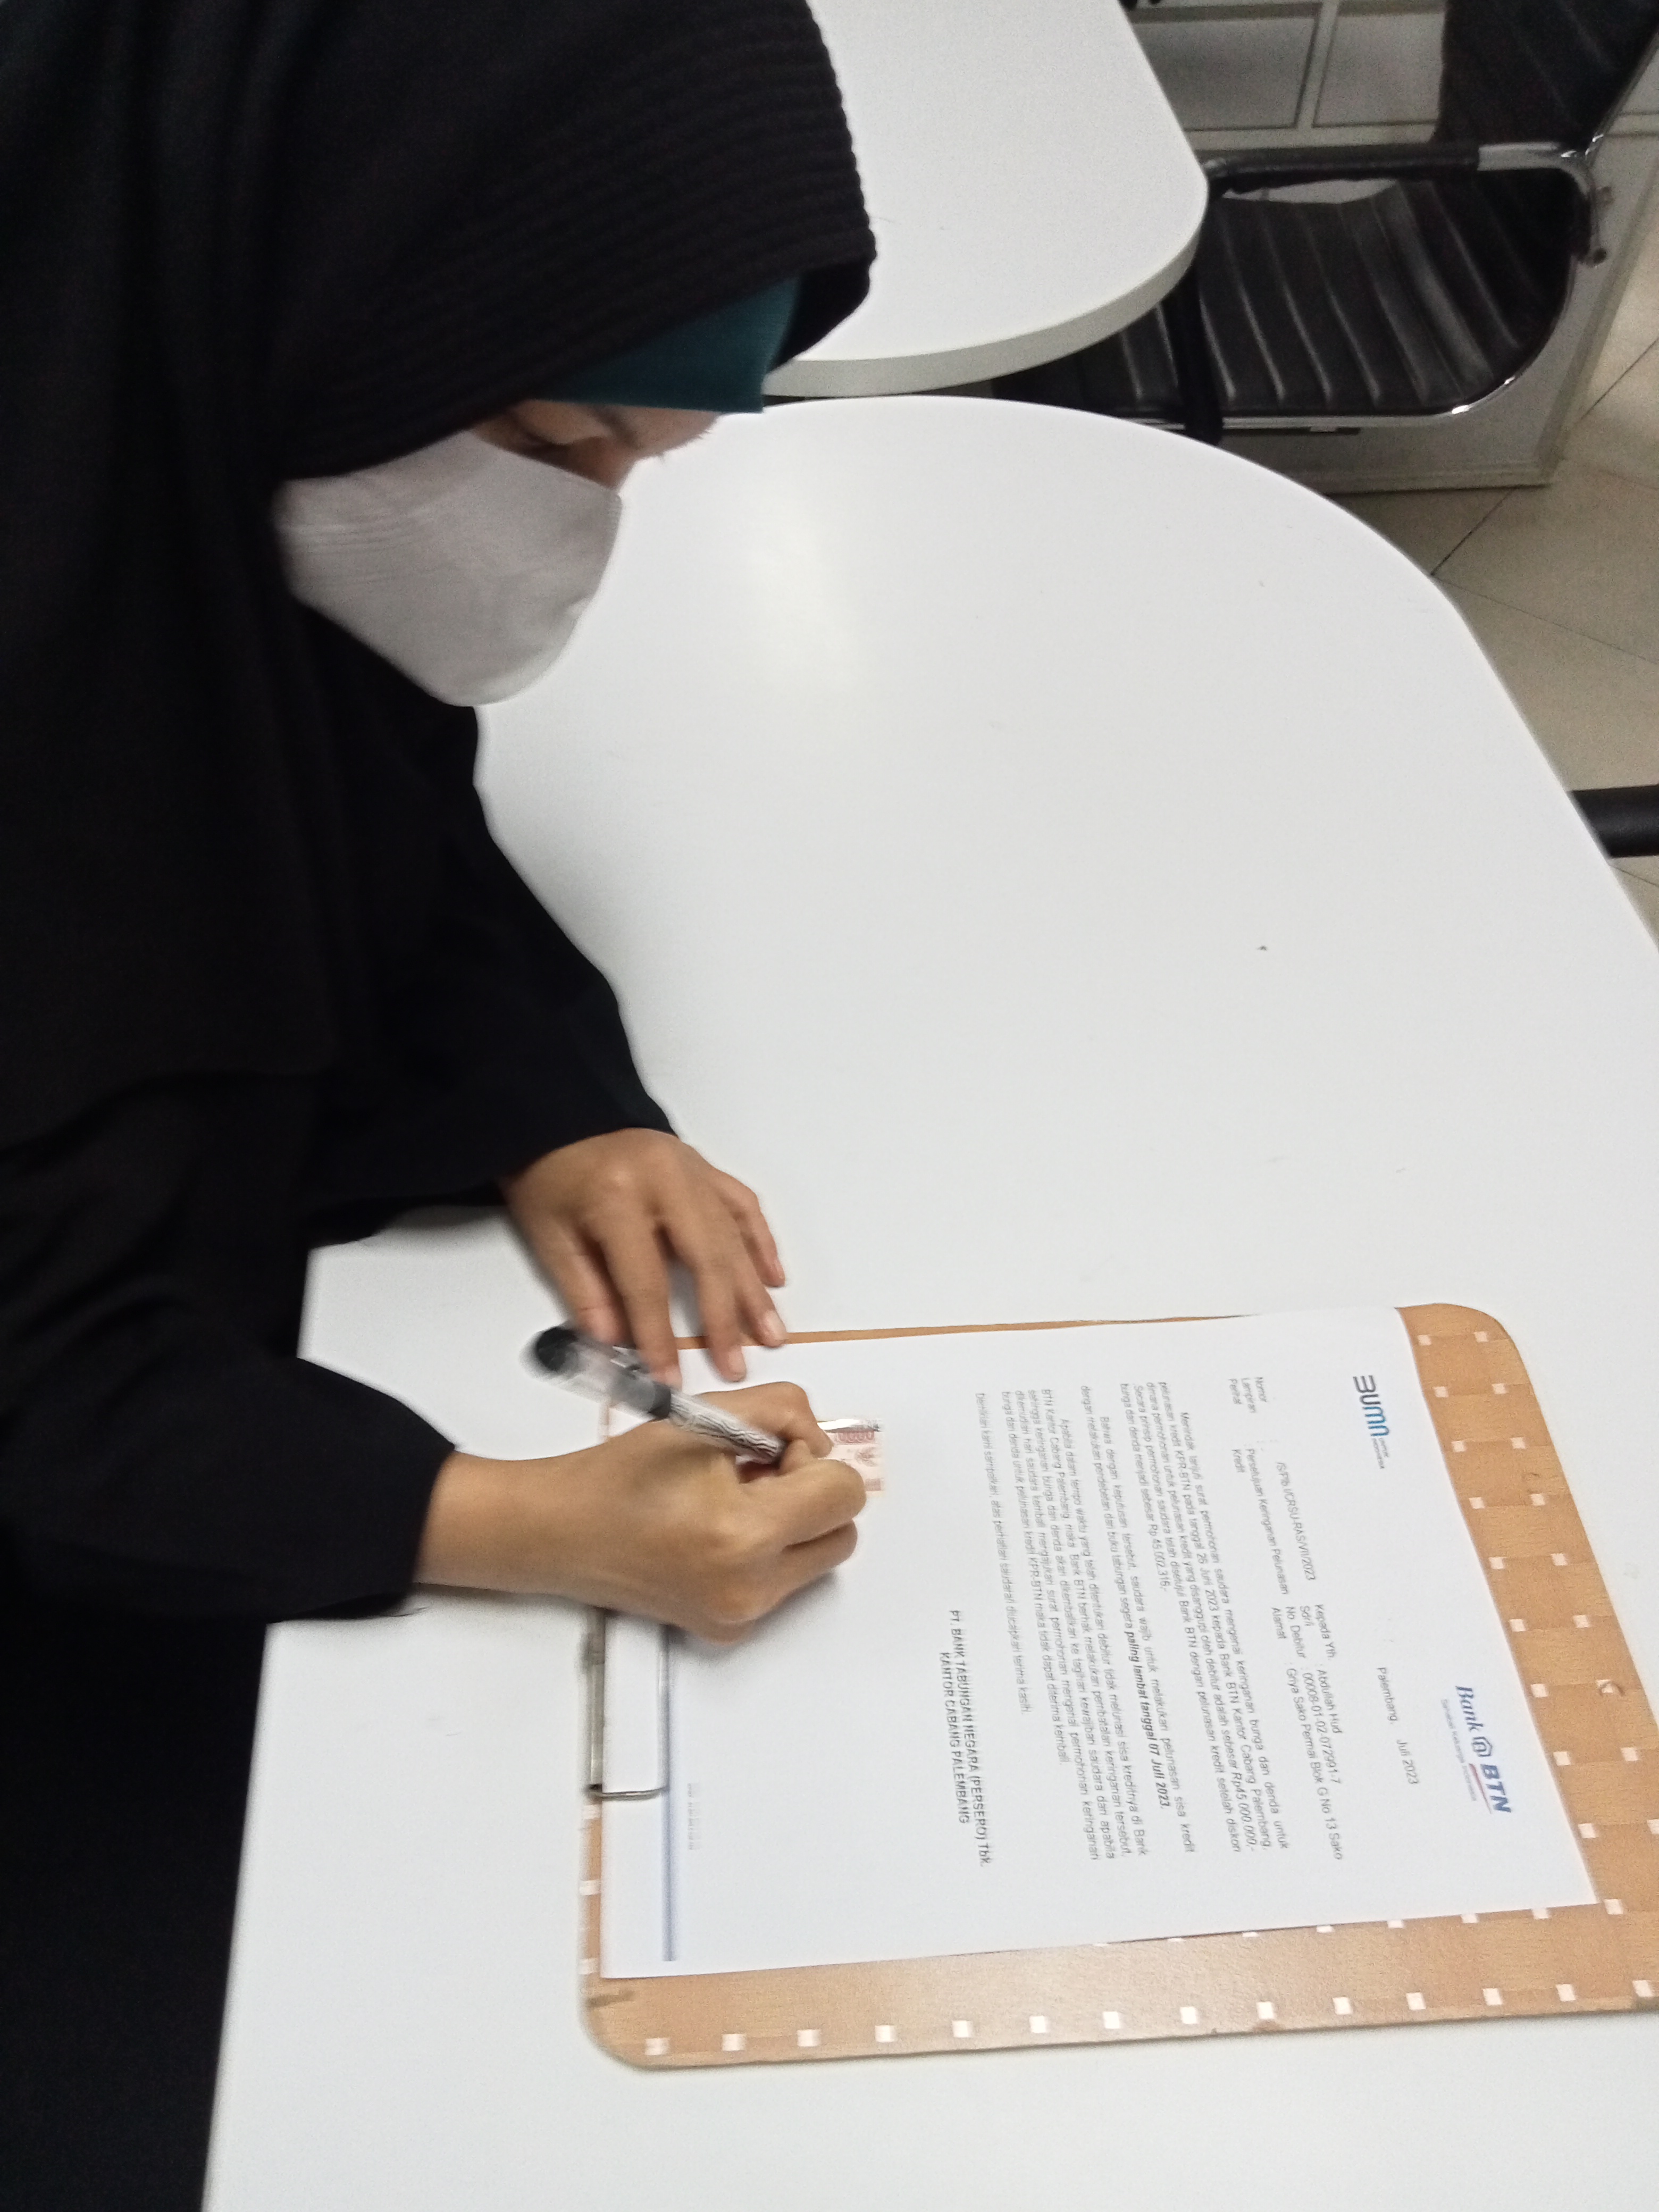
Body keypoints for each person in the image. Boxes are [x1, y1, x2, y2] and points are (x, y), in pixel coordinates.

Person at [0, 2, 874, 2203]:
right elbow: (43, 1384)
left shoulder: (164, 414)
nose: (581, 534)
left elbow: (362, 805)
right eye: (563, 442)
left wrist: (549, 1097)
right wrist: (518, 1519)